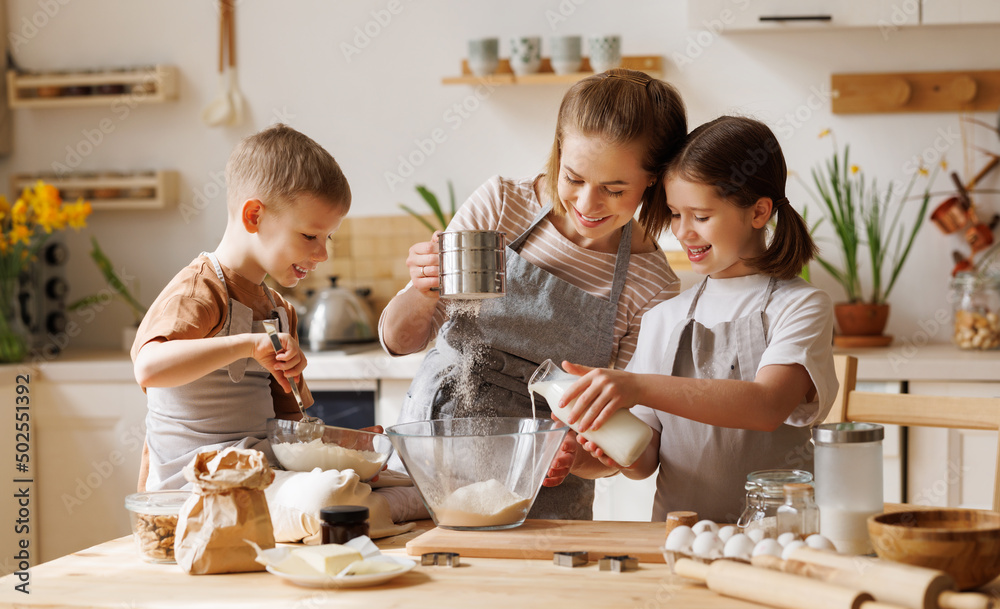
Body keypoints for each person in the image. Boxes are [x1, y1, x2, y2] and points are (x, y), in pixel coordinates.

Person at [379, 68, 688, 520]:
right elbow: (398, 340)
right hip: (432, 467)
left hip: (543, 498)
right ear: (558, 151)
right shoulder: (502, 205)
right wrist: (425, 292)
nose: (586, 204)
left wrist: (575, 458)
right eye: (574, 177)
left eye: (614, 189)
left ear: (654, 181)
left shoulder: (652, 284)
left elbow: (625, 439)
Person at [550, 116, 838, 524]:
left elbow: (767, 405)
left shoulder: (801, 306)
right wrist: (589, 454)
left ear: (758, 212)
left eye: (700, 216)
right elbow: (644, 458)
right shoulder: (664, 317)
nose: (683, 233)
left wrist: (635, 386)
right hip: (679, 539)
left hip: (781, 541)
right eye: (673, 214)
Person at [131, 123, 349, 492]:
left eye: (327, 237)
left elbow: (290, 421)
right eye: (310, 236)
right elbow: (149, 368)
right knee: (331, 497)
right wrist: (248, 345)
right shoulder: (200, 290)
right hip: (194, 484)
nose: (322, 253)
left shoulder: (280, 310)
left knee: (387, 485)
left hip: (255, 470)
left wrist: (337, 449)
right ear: (254, 217)